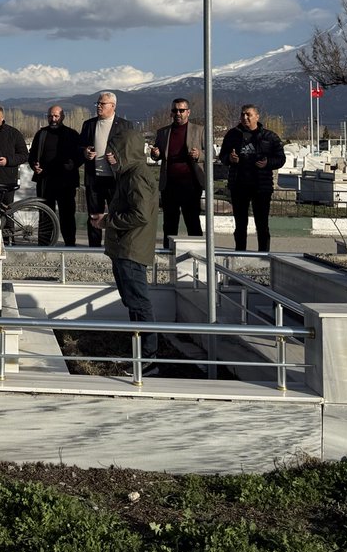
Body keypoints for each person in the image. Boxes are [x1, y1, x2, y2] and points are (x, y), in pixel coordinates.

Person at [89, 127, 160, 376]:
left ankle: (149, 359)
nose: (111, 157)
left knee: (139, 304)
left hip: (131, 249)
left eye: (115, 153)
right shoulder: (130, 174)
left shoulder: (137, 176)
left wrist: (108, 221)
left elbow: (140, 214)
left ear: (126, 151)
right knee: (133, 304)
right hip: (125, 247)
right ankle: (140, 355)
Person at [219, 104, 286, 252]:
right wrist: (230, 159)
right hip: (239, 185)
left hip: (261, 186)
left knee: (262, 224)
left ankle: (263, 253)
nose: (245, 117)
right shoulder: (232, 135)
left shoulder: (270, 137)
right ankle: (240, 252)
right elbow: (222, 156)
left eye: (248, 114)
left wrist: (268, 163)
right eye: (242, 114)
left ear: (257, 116)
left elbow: (281, 159)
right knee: (240, 224)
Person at [79, 92, 131, 246]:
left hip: (115, 179)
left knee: (116, 214)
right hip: (94, 179)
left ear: (113, 106)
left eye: (103, 104)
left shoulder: (124, 125)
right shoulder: (89, 124)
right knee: (94, 215)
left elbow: (131, 151)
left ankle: (116, 245)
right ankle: (93, 248)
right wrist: (85, 152)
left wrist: (117, 160)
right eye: (98, 103)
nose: (99, 106)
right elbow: (79, 146)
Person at [150, 98, 206, 238]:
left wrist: (199, 154)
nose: (178, 113)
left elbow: (211, 153)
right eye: (175, 110)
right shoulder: (163, 132)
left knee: (192, 222)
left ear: (188, 112)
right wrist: (155, 154)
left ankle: (197, 255)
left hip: (191, 185)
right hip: (169, 185)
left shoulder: (200, 130)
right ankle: (169, 255)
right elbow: (158, 153)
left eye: (181, 110)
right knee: (169, 224)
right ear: (171, 113)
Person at [28, 106, 82, 246]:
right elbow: (32, 155)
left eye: (56, 116)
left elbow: (80, 156)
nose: (53, 119)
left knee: (67, 216)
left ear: (62, 117)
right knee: (44, 215)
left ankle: (70, 245)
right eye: (50, 116)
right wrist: (34, 165)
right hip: (45, 181)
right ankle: (44, 246)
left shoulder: (72, 134)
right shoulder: (41, 134)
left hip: (66, 182)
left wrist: (73, 164)